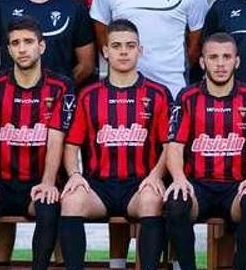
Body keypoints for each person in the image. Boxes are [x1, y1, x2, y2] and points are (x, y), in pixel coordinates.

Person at [57, 19, 171, 270]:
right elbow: (71, 144)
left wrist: (156, 175)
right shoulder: (88, 95)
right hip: (99, 186)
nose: (123, 51)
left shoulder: (158, 94)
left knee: (152, 199)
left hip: (140, 183)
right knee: (71, 200)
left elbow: (169, 145)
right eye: (117, 46)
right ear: (105, 51)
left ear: (140, 50)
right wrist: (75, 175)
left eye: (130, 46)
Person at [0, 17, 74, 270]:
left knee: (49, 209)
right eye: (15, 43)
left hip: (38, 182)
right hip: (0, 184)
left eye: (28, 42)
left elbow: (57, 137)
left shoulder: (60, 86)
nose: (22, 48)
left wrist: (48, 181)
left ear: (41, 46)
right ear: (8, 49)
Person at [163, 33, 246, 270]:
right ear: (202, 62)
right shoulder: (187, 97)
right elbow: (175, 145)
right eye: (213, 57)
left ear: (237, 61)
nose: (220, 63)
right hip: (198, 186)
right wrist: (180, 178)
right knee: (175, 202)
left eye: (226, 57)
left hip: (236, 187)